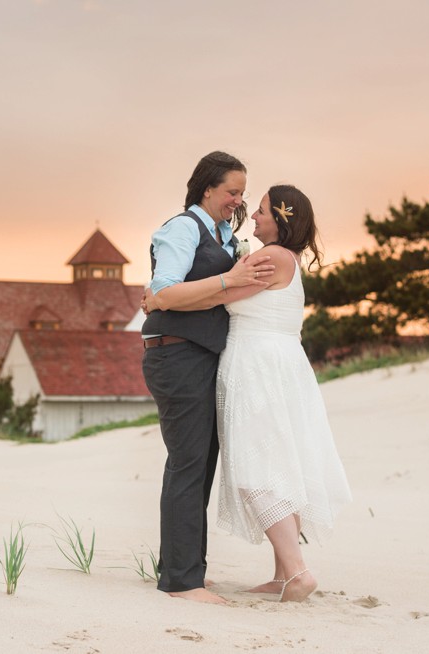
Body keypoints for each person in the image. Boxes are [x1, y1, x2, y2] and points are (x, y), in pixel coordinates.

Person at [146, 184, 352, 603]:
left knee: (255, 466)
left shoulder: (270, 256)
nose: (253, 217)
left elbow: (215, 298)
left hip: (256, 365)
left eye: (260, 211)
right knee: (279, 462)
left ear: (281, 218)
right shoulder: (287, 259)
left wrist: (159, 301)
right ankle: (282, 574)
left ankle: (297, 571)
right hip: (281, 363)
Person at [141, 151, 273, 605]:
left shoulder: (221, 235)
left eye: (243, 194)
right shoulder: (182, 228)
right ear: (207, 189)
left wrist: (230, 280)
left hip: (202, 358)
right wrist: (227, 280)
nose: (238, 201)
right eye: (232, 192)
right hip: (174, 357)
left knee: (198, 465)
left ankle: (183, 568)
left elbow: (189, 300)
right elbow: (166, 292)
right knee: (189, 463)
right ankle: (181, 582)